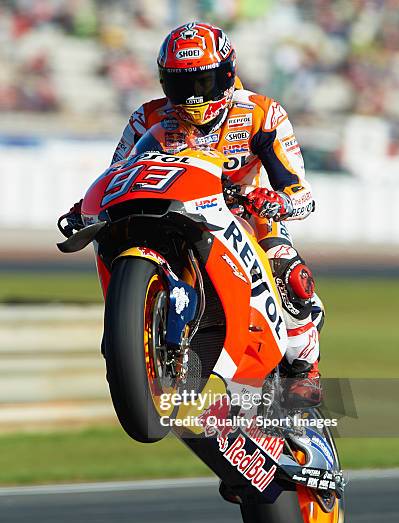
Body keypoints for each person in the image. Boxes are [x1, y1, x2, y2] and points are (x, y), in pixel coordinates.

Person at [65, 22, 323, 406]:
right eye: (181, 85)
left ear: (228, 75)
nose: (193, 97)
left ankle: (305, 371)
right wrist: (83, 208)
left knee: (288, 270)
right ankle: (144, 336)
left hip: (245, 215)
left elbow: (300, 195)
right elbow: (117, 171)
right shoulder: (147, 118)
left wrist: (276, 203)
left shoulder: (262, 114)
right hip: (169, 210)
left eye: (203, 83)